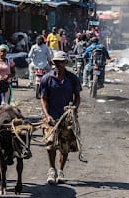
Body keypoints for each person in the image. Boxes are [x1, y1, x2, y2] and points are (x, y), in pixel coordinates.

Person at [39, 51, 82, 185]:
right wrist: (47, 115)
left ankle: (61, 171)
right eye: (56, 62)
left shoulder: (72, 78)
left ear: (65, 63)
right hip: (51, 116)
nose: (59, 64)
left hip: (67, 117)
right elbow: (43, 98)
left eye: (61, 62)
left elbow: (78, 97)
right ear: (53, 63)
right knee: (50, 144)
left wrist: (73, 109)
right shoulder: (47, 78)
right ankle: (52, 169)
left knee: (65, 146)